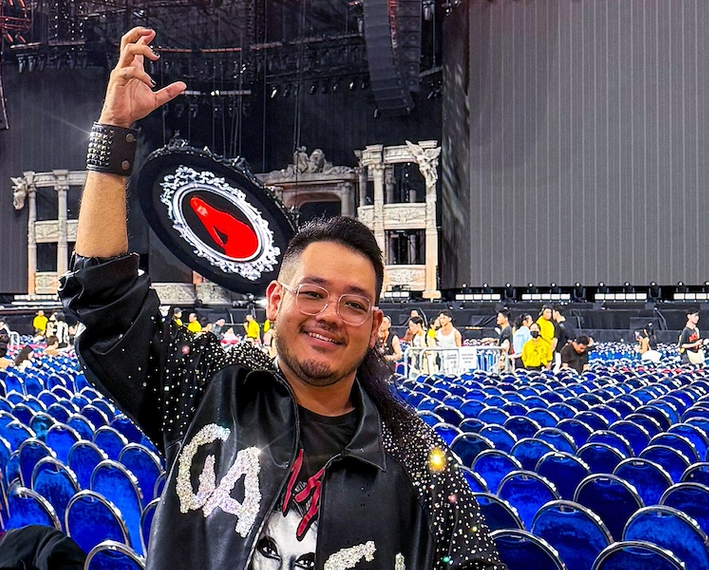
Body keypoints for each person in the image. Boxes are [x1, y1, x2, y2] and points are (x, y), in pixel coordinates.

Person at [59, 26, 502, 569]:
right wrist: (113, 136)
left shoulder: (414, 457)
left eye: (354, 303)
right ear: (275, 300)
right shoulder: (213, 388)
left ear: (374, 326)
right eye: (313, 293)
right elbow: (106, 304)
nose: (329, 315)